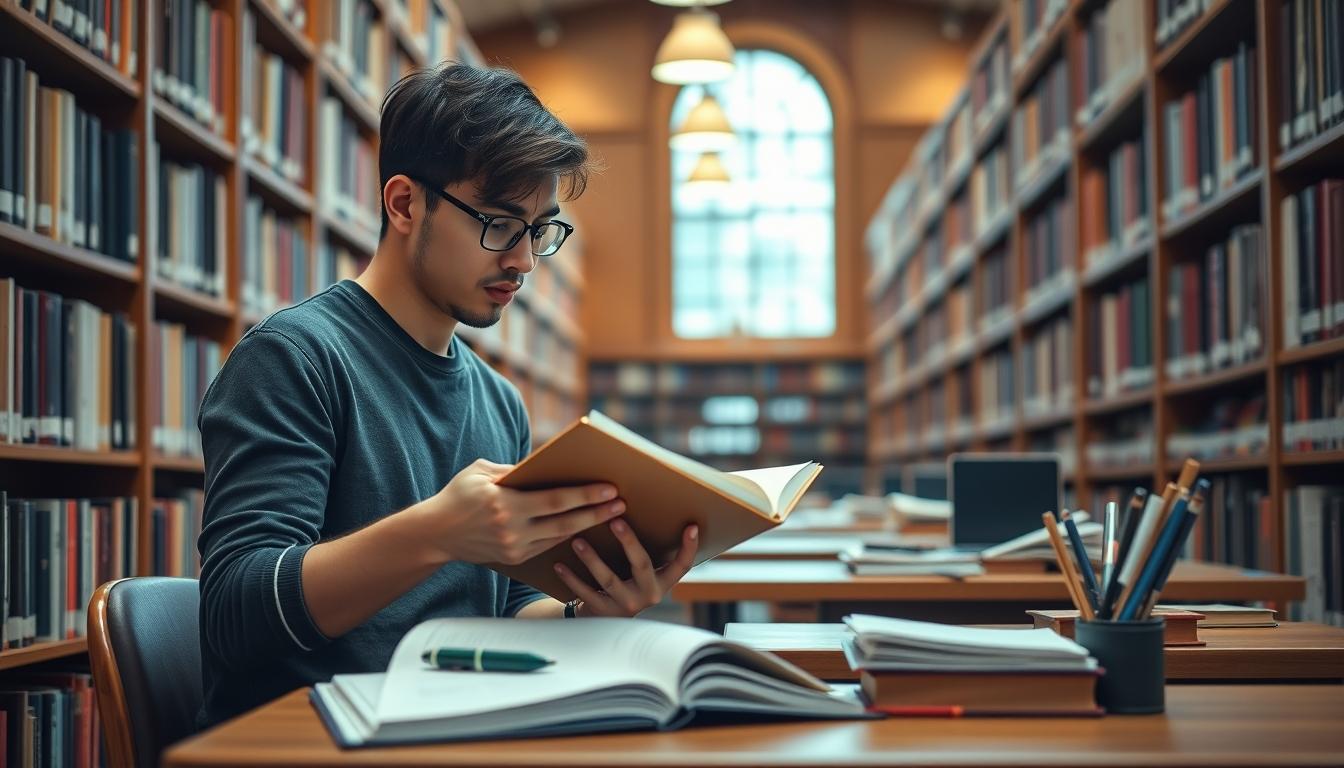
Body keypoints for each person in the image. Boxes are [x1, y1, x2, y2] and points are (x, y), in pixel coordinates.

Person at [195, 63, 699, 728]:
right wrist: (436, 532)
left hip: (455, 728)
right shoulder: (295, 359)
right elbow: (234, 613)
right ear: (404, 204)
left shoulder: (498, 401)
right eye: (499, 224)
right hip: (312, 739)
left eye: (540, 230)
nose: (522, 260)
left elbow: (511, 613)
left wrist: (591, 609)